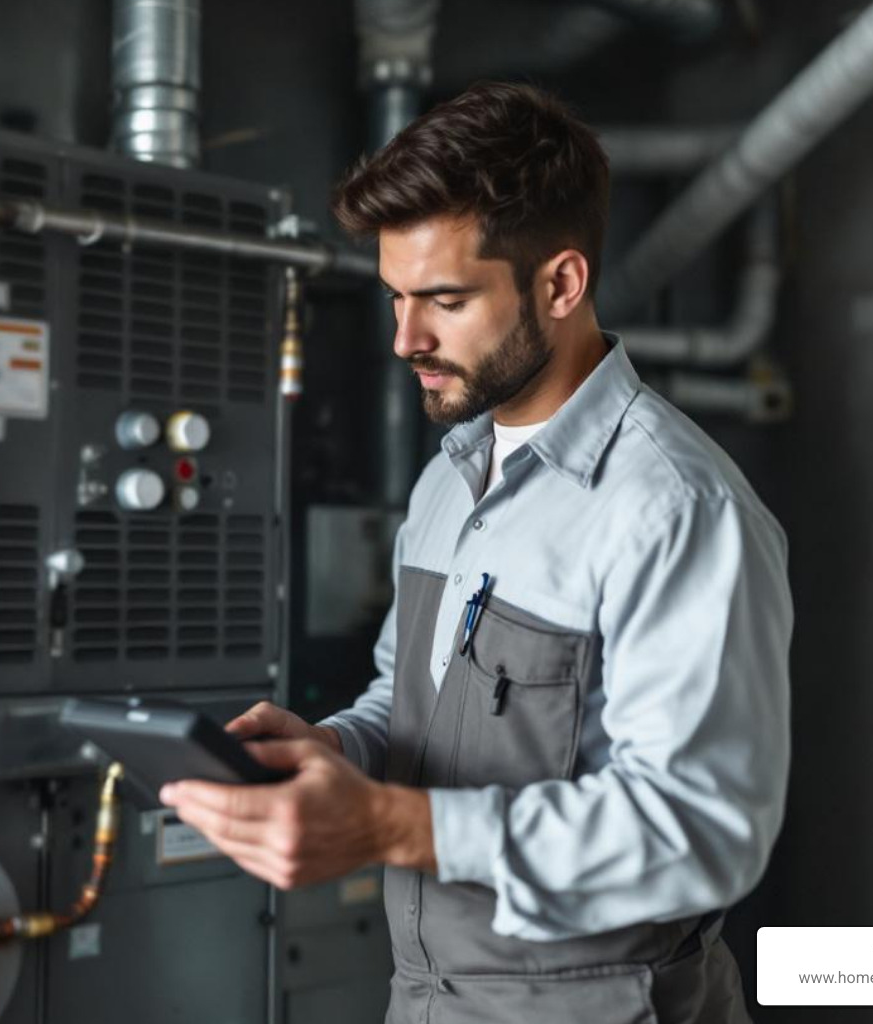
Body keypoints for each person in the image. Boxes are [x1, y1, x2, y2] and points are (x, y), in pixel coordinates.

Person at [159, 80, 792, 1024]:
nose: (405, 339)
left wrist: (390, 824)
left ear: (561, 285)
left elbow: (704, 834)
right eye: (395, 298)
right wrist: (333, 747)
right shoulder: (450, 479)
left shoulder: (675, 510)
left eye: (445, 300)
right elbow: (406, 701)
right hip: (428, 999)